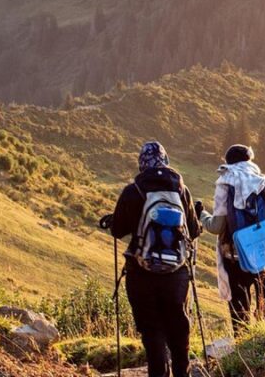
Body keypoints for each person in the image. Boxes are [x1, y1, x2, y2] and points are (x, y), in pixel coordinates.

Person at [109, 141, 201, 377]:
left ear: (142, 164)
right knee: (179, 328)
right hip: (176, 273)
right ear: (165, 161)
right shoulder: (181, 190)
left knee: (151, 330)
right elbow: (194, 229)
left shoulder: (133, 191)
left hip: (141, 273)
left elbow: (117, 230)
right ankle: (183, 372)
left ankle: (159, 372)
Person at [196, 144, 265, 334]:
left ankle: (242, 347)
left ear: (228, 163)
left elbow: (216, 227)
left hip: (236, 256)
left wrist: (201, 214)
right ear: (250, 160)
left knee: (240, 309)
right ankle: (264, 346)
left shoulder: (224, 183)